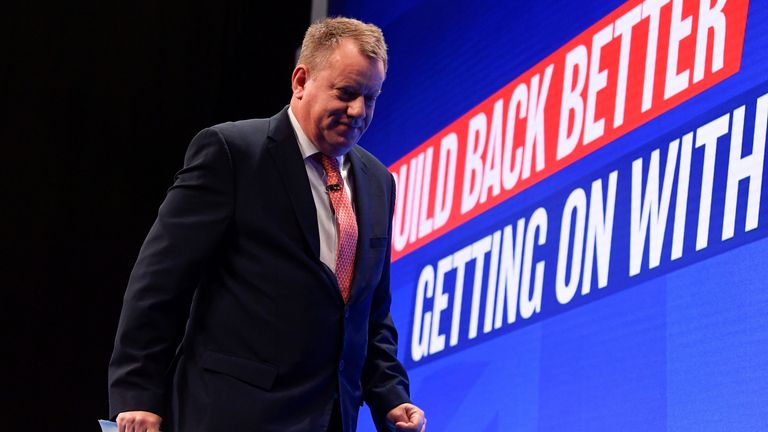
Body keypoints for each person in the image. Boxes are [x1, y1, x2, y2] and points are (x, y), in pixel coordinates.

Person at [108, 16, 426, 432]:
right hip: (232, 414)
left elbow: (368, 312)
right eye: (346, 93)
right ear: (300, 80)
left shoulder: (378, 181)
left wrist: (390, 396)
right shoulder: (233, 153)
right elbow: (160, 281)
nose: (358, 112)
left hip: (330, 420)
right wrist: (138, 394)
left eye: (371, 98)